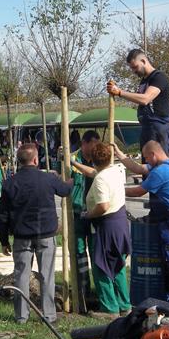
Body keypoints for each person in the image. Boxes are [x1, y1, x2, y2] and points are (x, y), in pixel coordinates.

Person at [0, 143, 73, 324]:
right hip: (46, 234)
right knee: (47, 275)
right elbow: (65, 190)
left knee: (21, 276)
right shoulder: (47, 179)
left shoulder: (10, 183)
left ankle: (21, 316)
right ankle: (49, 315)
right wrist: (72, 179)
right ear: (35, 159)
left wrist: (3, 240)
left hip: (21, 236)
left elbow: (3, 215)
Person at [116, 140, 169, 310]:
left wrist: (114, 188)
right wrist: (119, 154)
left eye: (146, 158)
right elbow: (139, 169)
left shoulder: (161, 172)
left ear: (153, 155)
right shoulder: (168, 164)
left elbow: (138, 192)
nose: (146, 162)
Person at [71, 142, 131, 318]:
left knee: (101, 266)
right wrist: (73, 163)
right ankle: (124, 304)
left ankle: (110, 308)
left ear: (93, 159)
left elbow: (103, 206)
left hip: (107, 225)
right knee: (117, 263)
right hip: (120, 224)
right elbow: (92, 171)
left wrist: (88, 215)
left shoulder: (101, 180)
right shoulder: (115, 171)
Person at [107, 49, 169, 155]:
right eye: (131, 68)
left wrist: (119, 92)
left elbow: (145, 99)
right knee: (147, 165)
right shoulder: (144, 81)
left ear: (143, 61)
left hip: (158, 130)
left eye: (135, 67)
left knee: (159, 165)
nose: (134, 71)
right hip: (147, 128)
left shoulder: (159, 77)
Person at [69, 130, 100, 313]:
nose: (95, 149)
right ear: (84, 143)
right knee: (79, 252)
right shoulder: (71, 159)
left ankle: (99, 290)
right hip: (78, 212)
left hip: (95, 213)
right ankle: (82, 290)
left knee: (96, 251)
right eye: (93, 145)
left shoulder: (99, 158)